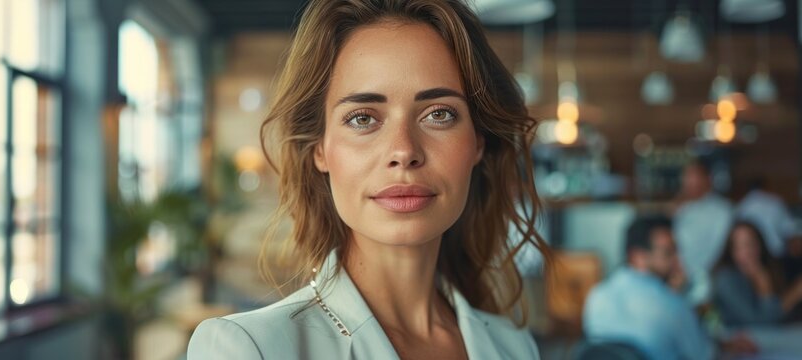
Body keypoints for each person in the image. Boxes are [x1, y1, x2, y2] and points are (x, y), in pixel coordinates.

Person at [187, 0, 550, 359]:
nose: (403, 151)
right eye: (363, 118)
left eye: (438, 114)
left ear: (478, 144)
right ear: (320, 150)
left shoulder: (514, 347)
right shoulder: (250, 348)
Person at [583, 215, 722, 360]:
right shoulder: (673, 304)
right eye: (668, 253)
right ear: (637, 257)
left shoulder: (598, 294)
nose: (678, 261)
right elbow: (705, 355)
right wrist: (685, 298)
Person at [711, 221, 802, 328]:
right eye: (739, 247)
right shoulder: (725, 279)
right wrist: (765, 288)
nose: (747, 252)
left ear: (760, 246)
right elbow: (762, 324)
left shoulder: (769, 268)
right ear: (731, 251)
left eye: (750, 244)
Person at [671, 160, 734, 304]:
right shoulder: (681, 209)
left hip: (709, 279)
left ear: (708, 179)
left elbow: (721, 247)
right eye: (686, 178)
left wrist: (705, 277)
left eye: (694, 177)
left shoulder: (722, 210)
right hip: (680, 279)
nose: (689, 183)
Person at [736, 179, 796, 257]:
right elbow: (789, 229)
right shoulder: (776, 201)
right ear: (765, 187)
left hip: (754, 253)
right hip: (776, 250)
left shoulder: (742, 205)